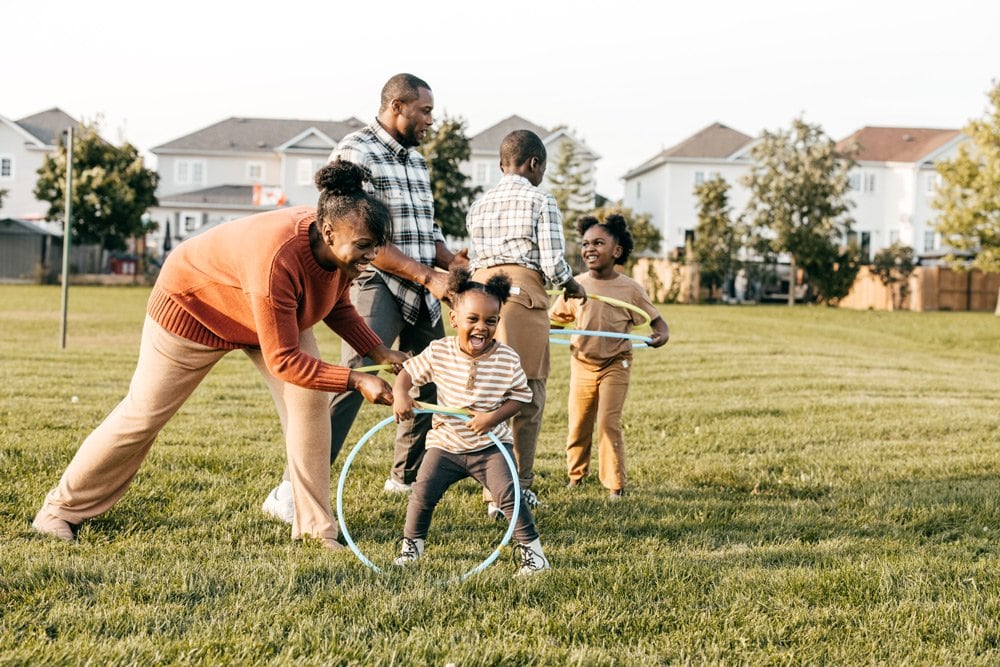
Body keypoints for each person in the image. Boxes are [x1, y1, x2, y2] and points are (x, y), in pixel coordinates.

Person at [31, 161, 408, 550]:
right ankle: (58, 511)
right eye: (365, 246)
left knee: (309, 404)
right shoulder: (279, 258)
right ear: (328, 232)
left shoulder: (342, 249)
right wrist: (355, 378)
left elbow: (336, 302)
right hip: (195, 307)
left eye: (376, 246)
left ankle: (316, 528)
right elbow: (284, 362)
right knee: (142, 415)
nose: (372, 255)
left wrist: (374, 348)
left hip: (269, 314)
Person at [262, 73, 466, 522]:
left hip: (423, 284)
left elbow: (425, 231)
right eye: (425, 111)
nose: (432, 121)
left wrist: (451, 264)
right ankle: (292, 490)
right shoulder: (358, 151)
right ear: (396, 105)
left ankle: (404, 477)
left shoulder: (417, 162)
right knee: (354, 379)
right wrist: (425, 275)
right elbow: (359, 235)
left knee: (426, 376)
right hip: (376, 282)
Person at [391, 268, 550, 576]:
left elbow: (521, 397)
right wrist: (401, 395)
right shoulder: (440, 350)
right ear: (454, 320)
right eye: (473, 319)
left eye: (491, 321)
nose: (482, 328)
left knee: (509, 495)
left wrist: (492, 418)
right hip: (446, 443)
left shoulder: (506, 358)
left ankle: (535, 556)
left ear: (499, 322)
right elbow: (407, 373)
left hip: (490, 446)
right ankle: (411, 549)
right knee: (422, 494)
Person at [466, 129, 586, 518]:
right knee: (526, 396)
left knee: (487, 393)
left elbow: (473, 263)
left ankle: (491, 490)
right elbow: (552, 265)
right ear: (535, 164)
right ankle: (518, 488)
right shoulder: (540, 199)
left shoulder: (479, 205)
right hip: (521, 300)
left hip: (479, 302)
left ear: (502, 164)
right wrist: (572, 286)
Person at [549, 214, 669, 500]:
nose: (589, 248)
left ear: (616, 251)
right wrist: (534, 332)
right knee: (578, 423)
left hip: (616, 363)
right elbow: (552, 323)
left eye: (598, 243)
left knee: (607, 422)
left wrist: (661, 335)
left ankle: (615, 485)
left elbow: (657, 322)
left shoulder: (630, 289)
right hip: (582, 363)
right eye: (585, 243)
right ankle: (576, 476)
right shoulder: (575, 286)